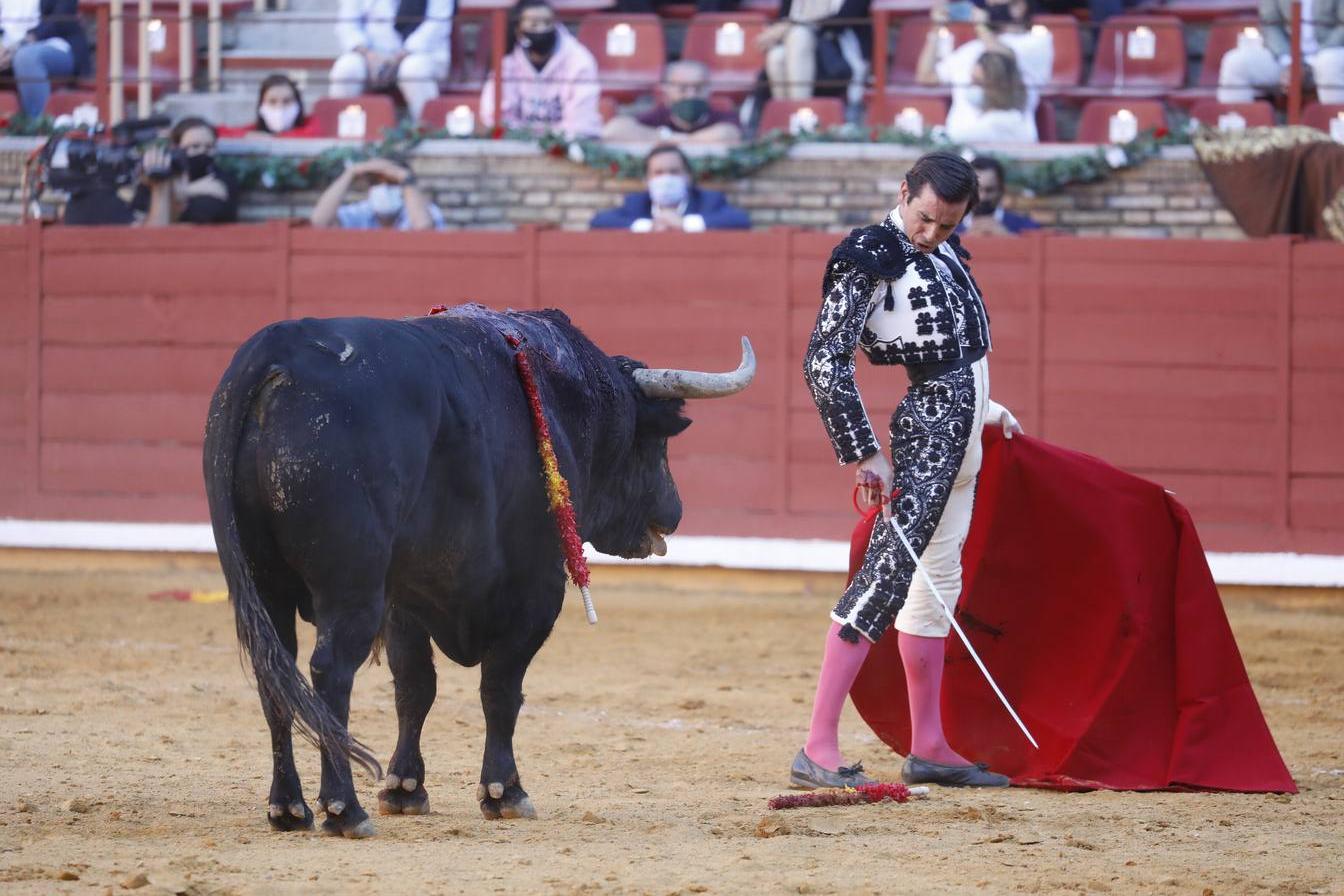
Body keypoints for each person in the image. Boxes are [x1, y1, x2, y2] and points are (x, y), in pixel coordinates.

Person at [793, 151, 1022, 790]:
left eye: (947, 225)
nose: (931, 234)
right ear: (903, 193)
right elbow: (823, 361)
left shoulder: (947, 251)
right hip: (926, 435)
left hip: (962, 432)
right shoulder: (869, 251)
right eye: (924, 218)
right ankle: (817, 746)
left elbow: (958, 351)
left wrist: (987, 407)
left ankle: (929, 746)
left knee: (935, 586)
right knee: (885, 579)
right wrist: (862, 450)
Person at [917, 0, 1053, 143]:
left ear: (1019, 7)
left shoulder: (1036, 42)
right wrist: (935, 29)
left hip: (1009, 140)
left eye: (992, 6)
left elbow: (1004, 59)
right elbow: (927, 76)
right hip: (960, 143)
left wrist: (980, 26)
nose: (986, 9)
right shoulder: (969, 49)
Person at [479, 0, 602, 138]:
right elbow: (495, 118)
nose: (542, 30)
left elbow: (581, 123)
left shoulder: (579, 60)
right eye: (534, 25)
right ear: (519, 30)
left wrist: (550, 141)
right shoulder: (507, 61)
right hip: (517, 146)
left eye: (547, 23)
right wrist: (524, 138)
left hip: (566, 149)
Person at [329, 0, 453, 120]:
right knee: (346, 69)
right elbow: (347, 24)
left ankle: (428, 130)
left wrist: (400, 56)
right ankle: (339, 133)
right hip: (370, 54)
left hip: (422, 53)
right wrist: (369, 55)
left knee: (413, 70)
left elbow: (437, 24)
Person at [589, 143, 750, 232]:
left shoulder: (708, 200)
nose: (666, 178)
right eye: (658, 173)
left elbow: (740, 220)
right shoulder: (636, 203)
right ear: (647, 180)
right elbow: (599, 222)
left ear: (688, 176)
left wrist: (684, 224)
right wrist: (649, 226)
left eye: (674, 172)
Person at [1218, 0, 1344, 104]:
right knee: (1235, 62)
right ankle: (1237, 133)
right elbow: (1270, 23)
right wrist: (1289, 62)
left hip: (1329, 52)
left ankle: (1334, 130)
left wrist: (1311, 62)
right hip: (1286, 55)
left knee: (1329, 63)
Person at [758, 0, 871, 108]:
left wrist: (794, 25)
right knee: (776, 56)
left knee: (800, 36)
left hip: (837, 58)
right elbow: (783, 19)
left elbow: (845, 18)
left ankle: (800, 115)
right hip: (794, 55)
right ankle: (787, 119)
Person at [601, 61, 743, 145]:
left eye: (698, 88)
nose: (691, 95)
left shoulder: (724, 116)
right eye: (683, 89)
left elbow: (730, 134)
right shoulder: (656, 116)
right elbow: (614, 130)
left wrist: (672, 141)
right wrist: (666, 137)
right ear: (666, 89)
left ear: (709, 89)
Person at [134, 117, 240, 227]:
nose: (202, 151)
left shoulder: (224, 179)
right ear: (175, 147)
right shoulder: (156, 176)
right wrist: (187, 190)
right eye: (194, 146)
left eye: (209, 147)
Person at [4, 0, 91, 119]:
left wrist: (16, 48)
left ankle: (38, 126)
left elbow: (60, 19)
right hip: (5, 49)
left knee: (26, 57)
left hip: (53, 45)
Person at [309, 156, 445, 230]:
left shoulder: (426, 212)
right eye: (376, 182)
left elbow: (423, 229)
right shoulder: (361, 211)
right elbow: (319, 222)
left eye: (391, 182)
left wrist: (404, 178)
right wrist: (350, 173)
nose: (383, 188)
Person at [218, 74, 322, 139]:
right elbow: (218, 132)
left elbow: (316, 132)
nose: (280, 107)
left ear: (297, 104)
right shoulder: (256, 130)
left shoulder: (312, 123)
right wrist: (246, 136)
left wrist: (273, 138)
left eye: (286, 101)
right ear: (262, 105)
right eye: (272, 101)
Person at [960, 156, 1040, 236]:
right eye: (977, 190)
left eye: (990, 190)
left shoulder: (1025, 226)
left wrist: (1007, 237)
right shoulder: (951, 226)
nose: (982, 197)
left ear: (1001, 190)